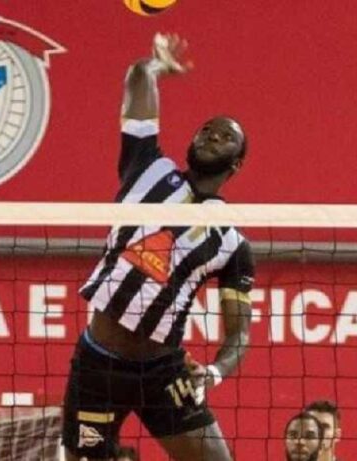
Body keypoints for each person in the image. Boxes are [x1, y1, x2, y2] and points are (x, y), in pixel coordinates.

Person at [62, 32, 254, 461]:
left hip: (163, 373)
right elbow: (135, 84)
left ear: (236, 163)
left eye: (224, 136)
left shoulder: (231, 241)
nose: (211, 136)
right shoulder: (145, 167)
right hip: (98, 365)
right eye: (206, 130)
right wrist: (153, 66)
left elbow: (240, 333)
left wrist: (214, 373)